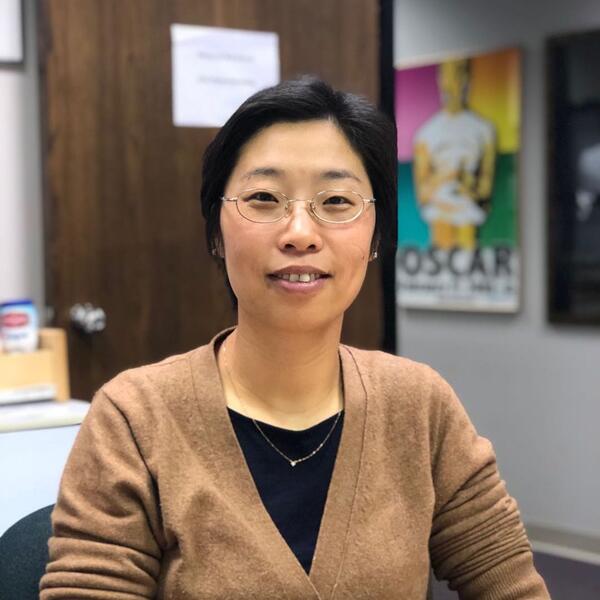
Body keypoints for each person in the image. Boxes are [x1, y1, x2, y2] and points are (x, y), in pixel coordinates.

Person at [40, 77, 549, 599]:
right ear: (216, 233)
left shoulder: (419, 407)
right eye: (264, 198)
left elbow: (511, 586)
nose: (300, 232)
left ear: (376, 236)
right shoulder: (135, 420)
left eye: (335, 201)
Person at [413, 58, 496, 250]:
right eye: (447, 75)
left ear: (468, 78)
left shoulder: (484, 131)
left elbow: (484, 189)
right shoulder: (426, 134)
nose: (452, 83)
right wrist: (446, 176)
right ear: (440, 79)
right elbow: (422, 194)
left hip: (469, 214)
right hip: (439, 216)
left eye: (458, 74)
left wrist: (466, 183)